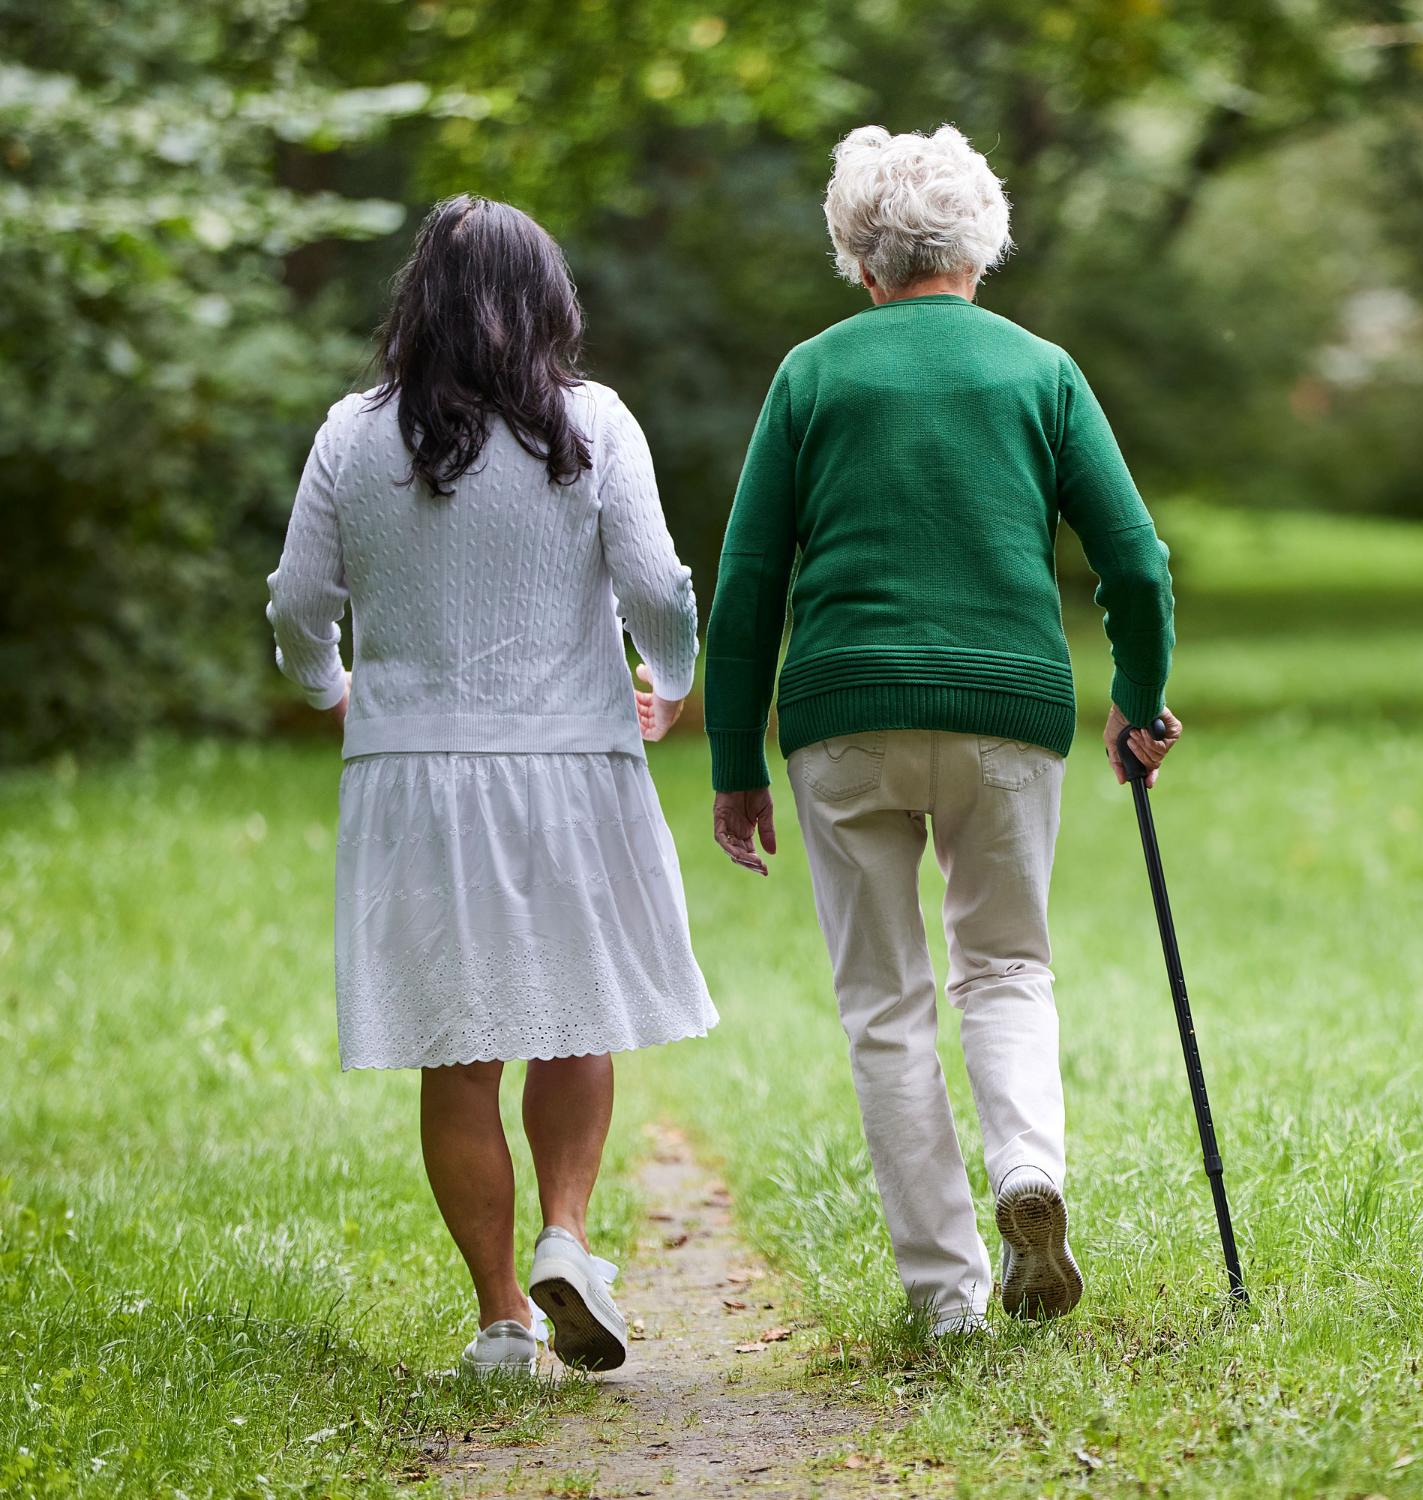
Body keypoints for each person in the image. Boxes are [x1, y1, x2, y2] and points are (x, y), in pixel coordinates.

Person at [704, 125, 1181, 1336]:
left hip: (843, 720)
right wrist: (1138, 691)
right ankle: (1029, 1168)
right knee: (1007, 964)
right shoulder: (1041, 371)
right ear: (983, 243)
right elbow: (1134, 556)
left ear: (858, 255)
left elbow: (751, 576)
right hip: (1009, 714)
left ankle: (946, 1296)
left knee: (886, 1004)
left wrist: (732, 761)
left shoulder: (813, 373)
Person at [266, 196, 715, 1376]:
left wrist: (329, 690)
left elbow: (298, 602)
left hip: (416, 778)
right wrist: (666, 679)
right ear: (548, 301)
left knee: (457, 1051)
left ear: (418, 300)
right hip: (572, 765)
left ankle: (504, 1316)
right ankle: (567, 1235)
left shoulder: (351, 436)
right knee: (575, 1018)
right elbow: (660, 586)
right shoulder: (593, 424)